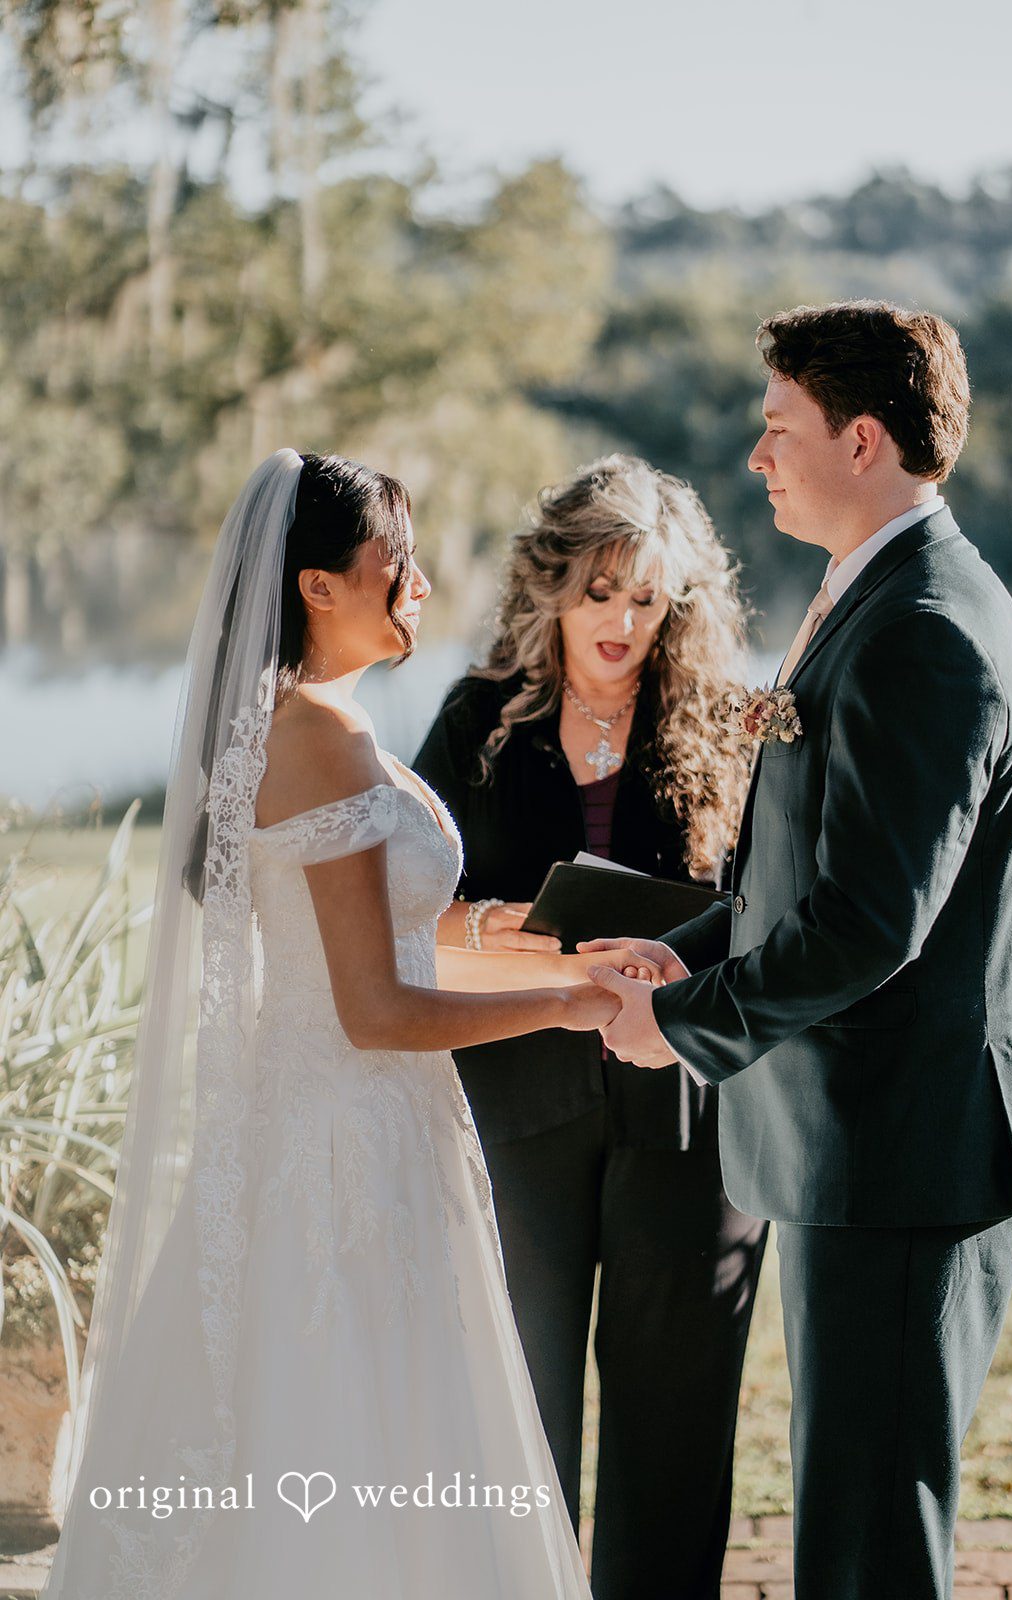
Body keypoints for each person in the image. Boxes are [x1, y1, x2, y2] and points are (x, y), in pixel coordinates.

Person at [41, 450, 656, 1600]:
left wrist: (564, 950)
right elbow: (374, 1010)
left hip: (361, 1132)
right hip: (342, 1153)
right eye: (395, 560)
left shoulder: (322, 724)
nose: (418, 582)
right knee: (352, 1432)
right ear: (317, 586)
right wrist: (572, 1007)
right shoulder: (318, 738)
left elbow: (398, 942)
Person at [584, 303, 1012, 1600]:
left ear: (860, 440)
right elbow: (807, 870)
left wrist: (681, 1025)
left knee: (868, 1540)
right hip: (864, 1145)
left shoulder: (925, 630)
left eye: (776, 427)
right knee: (850, 1513)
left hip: (908, 1151)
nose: (755, 457)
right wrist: (682, 954)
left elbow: (868, 922)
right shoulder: (877, 595)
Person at [413, 453, 768, 1600]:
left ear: (680, 602)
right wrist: (534, 942)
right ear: (552, 582)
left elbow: (771, 912)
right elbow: (405, 917)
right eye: (599, 591)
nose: (620, 622)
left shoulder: (729, 725)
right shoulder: (475, 721)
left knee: (675, 1420)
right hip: (513, 1110)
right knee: (511, 1410)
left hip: (688, 1114)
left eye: (646, 597)